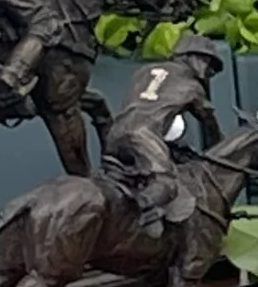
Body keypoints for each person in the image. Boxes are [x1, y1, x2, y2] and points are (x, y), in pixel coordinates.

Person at [97, 34, 228, 243]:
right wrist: (220, 150)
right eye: (208, 63)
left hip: (115, 133)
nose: (208, 71)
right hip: (144, 137)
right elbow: (209, 121)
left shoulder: (144, 71)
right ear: (190, 56)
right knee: (167, 183)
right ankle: (143, 212)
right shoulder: (192, 86)